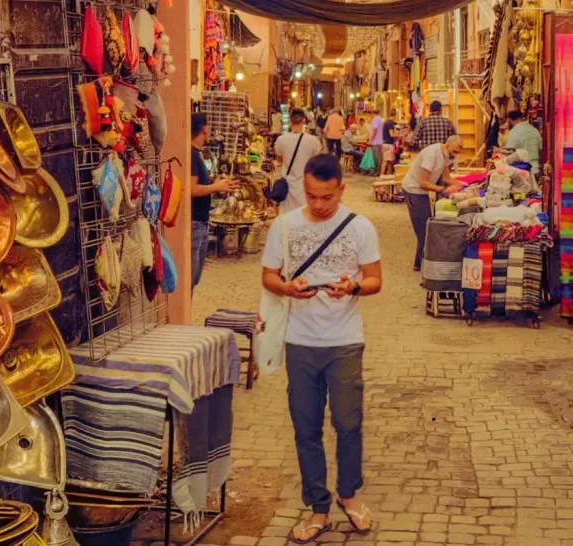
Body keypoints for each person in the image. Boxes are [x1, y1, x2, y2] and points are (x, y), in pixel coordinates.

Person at [260, 154, 381, 543]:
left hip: (345, 340)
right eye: (311, 196)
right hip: (300, 339)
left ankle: (349, 494)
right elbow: (268, 276)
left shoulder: (361, 227)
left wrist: (354, 287)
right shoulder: (284, 226)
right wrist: (287, 287)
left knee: (348, 423)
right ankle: (318, 508)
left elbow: (376, 279)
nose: (318, 204)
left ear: (341, 190)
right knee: (305, 428)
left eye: (326, 197)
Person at [401, 135, 464, 271]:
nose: (455, 156)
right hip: (414, 191)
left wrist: (463, 184)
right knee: (424, 230)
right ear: (447, 146)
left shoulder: (447, 155)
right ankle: (424, 265)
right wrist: (443, 189)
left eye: (458, 153)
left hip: (421, 192)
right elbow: (422, 183)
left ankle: (420, 264)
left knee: (427, 227)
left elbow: (446, 177)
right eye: (454, 152)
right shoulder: (431, 154)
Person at [190, 113, 239, 288]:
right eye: (209, 126)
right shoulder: (192, 155)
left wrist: (217, 184)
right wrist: (216, 187)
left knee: (194, 277)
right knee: (191, 277)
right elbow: (192, 189)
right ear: (204, 128)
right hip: (194, 222)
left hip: (201, 221)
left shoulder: (197, 154)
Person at [275, 108, 324, 214]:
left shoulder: (281, 140)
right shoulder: (313, 141)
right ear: (303, 121)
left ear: (290, 121)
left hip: (287, 186)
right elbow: (317, 162)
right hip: (305, 185)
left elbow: (279, 159)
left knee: (287, 219)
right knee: (304, 215)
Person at [503, 109, 543, 175]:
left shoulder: (514, 132)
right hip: (536, 169)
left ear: (510, 120)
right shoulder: (534, 130)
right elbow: (541, 149)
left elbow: (509, 152)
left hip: (523, 173)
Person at [380, 110, 399, 175]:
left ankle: (389, 175)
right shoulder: (390, 123)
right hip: (388, 144)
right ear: (395, 115)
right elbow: (391, 134)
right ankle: (382, 176)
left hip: (384, 143)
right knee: (386, 161)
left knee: (389, 162)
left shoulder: (386, 122)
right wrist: (400, 135)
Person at [367, 112, 384, 176]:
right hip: (379, 141)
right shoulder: (380, 119)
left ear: (372, 113)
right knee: (378, 157)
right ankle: (377, 171)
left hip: (376, 142)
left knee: (376, 158)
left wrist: (370, 140)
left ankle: (376, 172)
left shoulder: (376, 119)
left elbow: (374, 129)